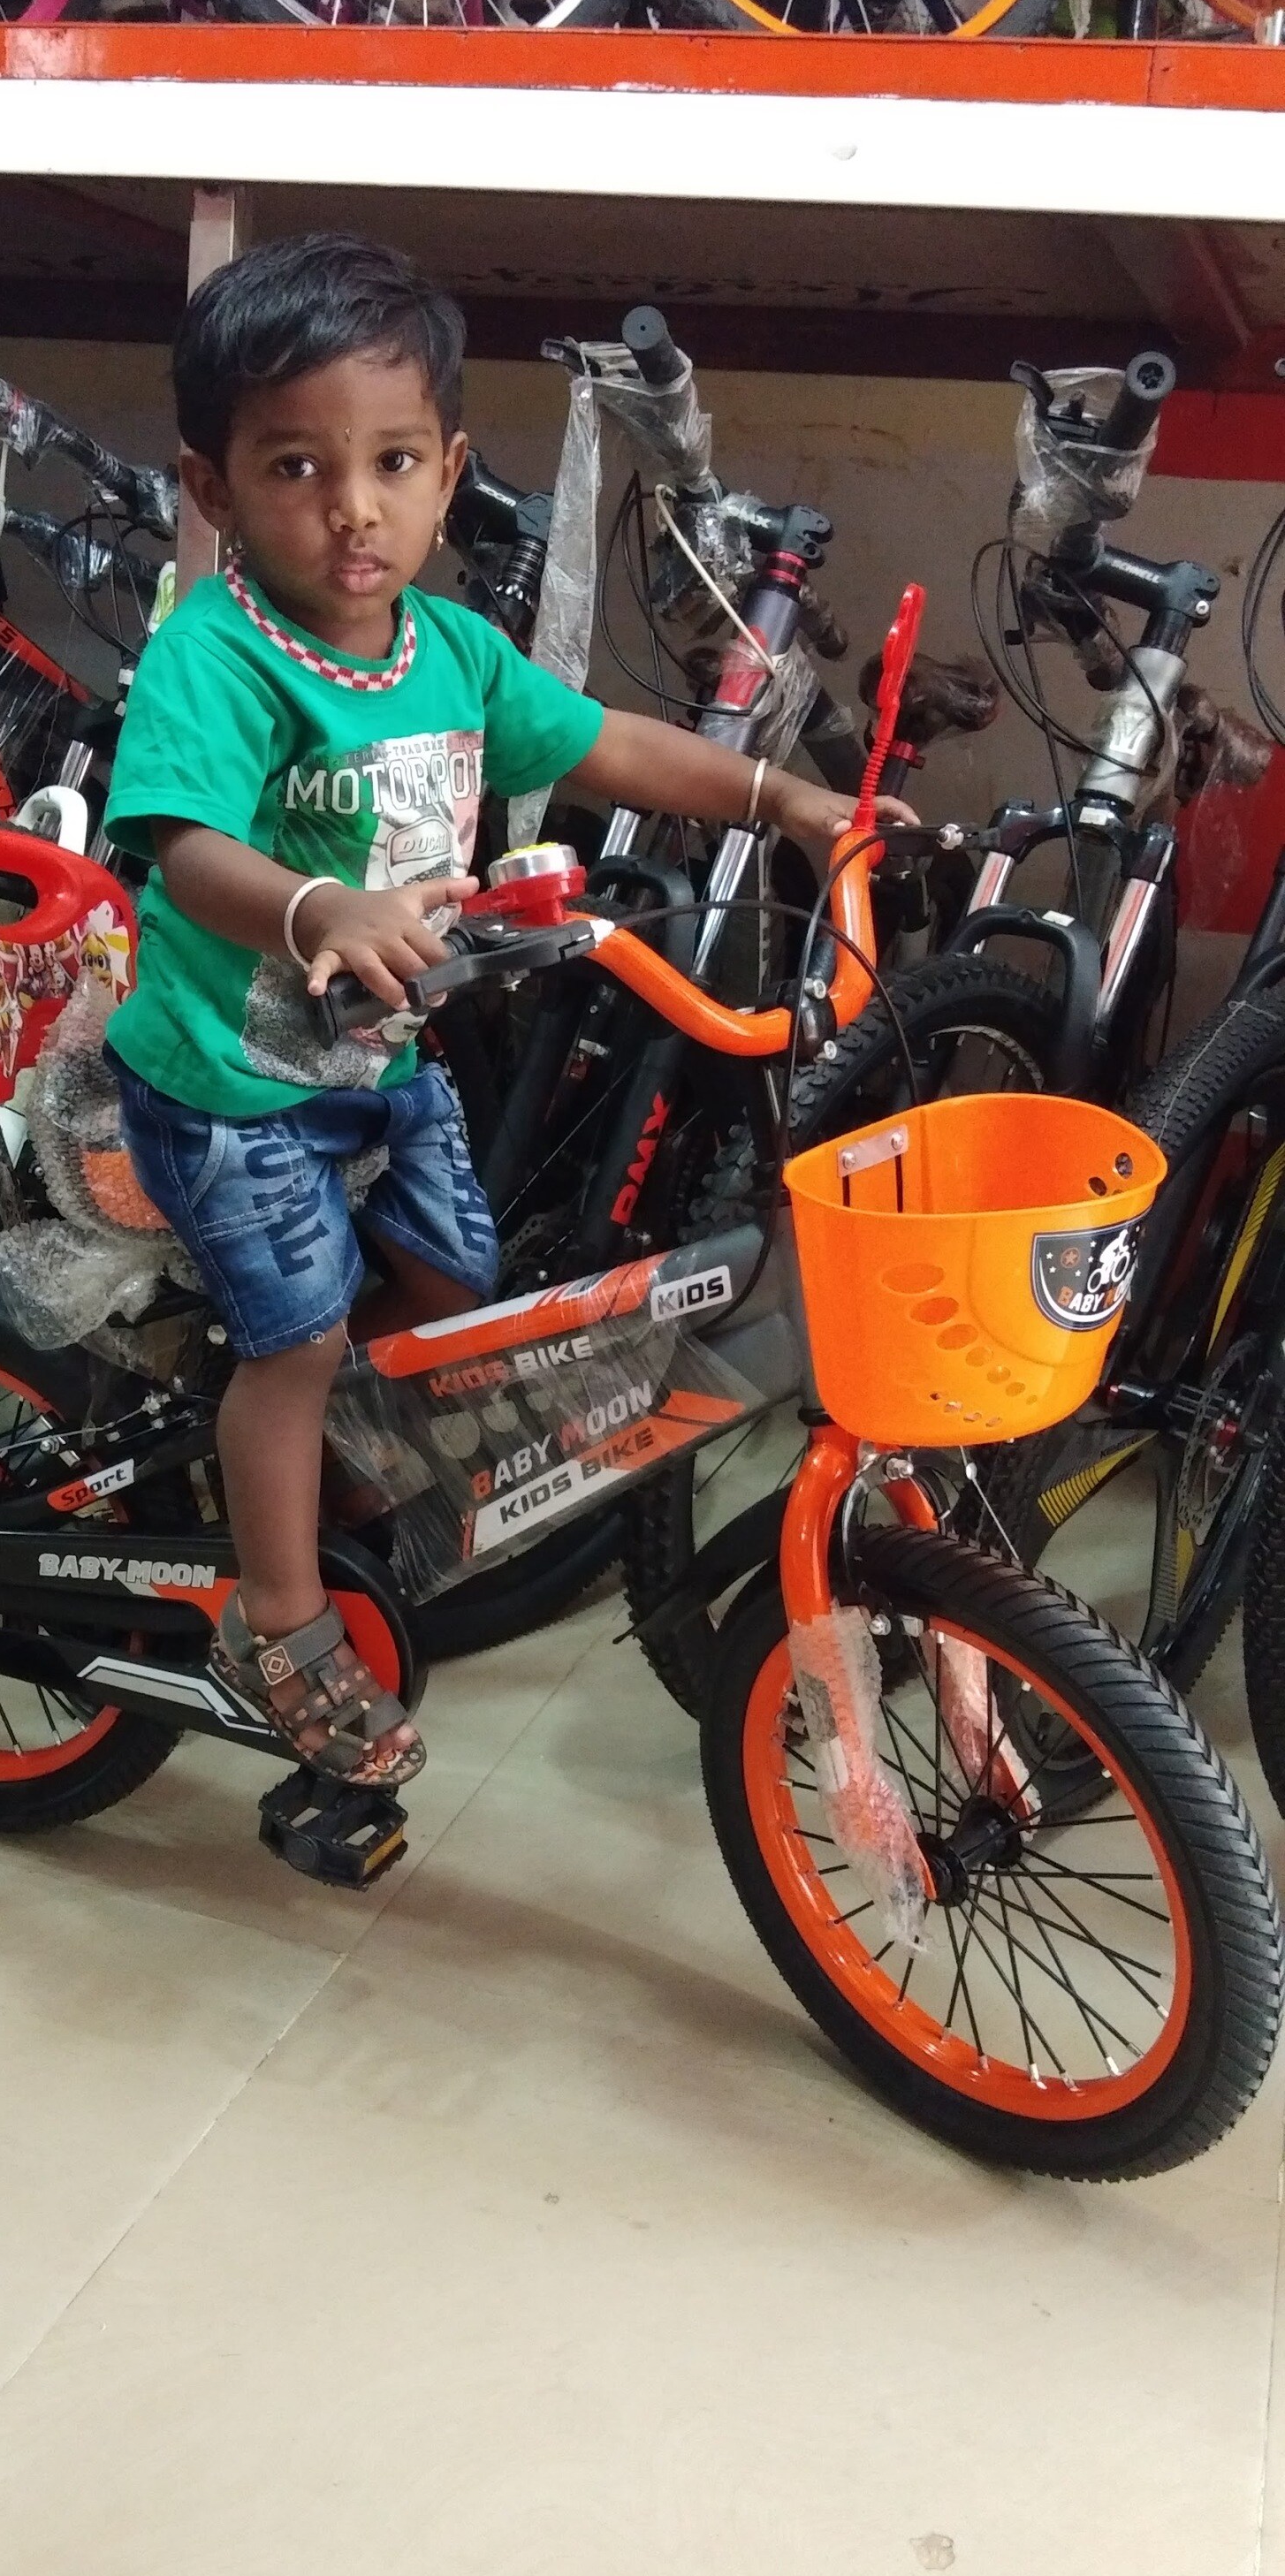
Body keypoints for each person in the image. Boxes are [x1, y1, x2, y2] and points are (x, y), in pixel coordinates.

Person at [103, 232, 910, 1792]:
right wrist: (319, 907)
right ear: (213, 488)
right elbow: (183, 846)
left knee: (455, 1288)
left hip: (379, 1062)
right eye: (296, 467)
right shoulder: (217, 654)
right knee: (298, 1341)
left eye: (393, 462)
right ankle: (278, 1618)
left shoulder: (454, 649)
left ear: (449, 469)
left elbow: (609, 742)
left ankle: (322, 1477)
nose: (354, 507)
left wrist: (791, 800)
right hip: (229, 1085)